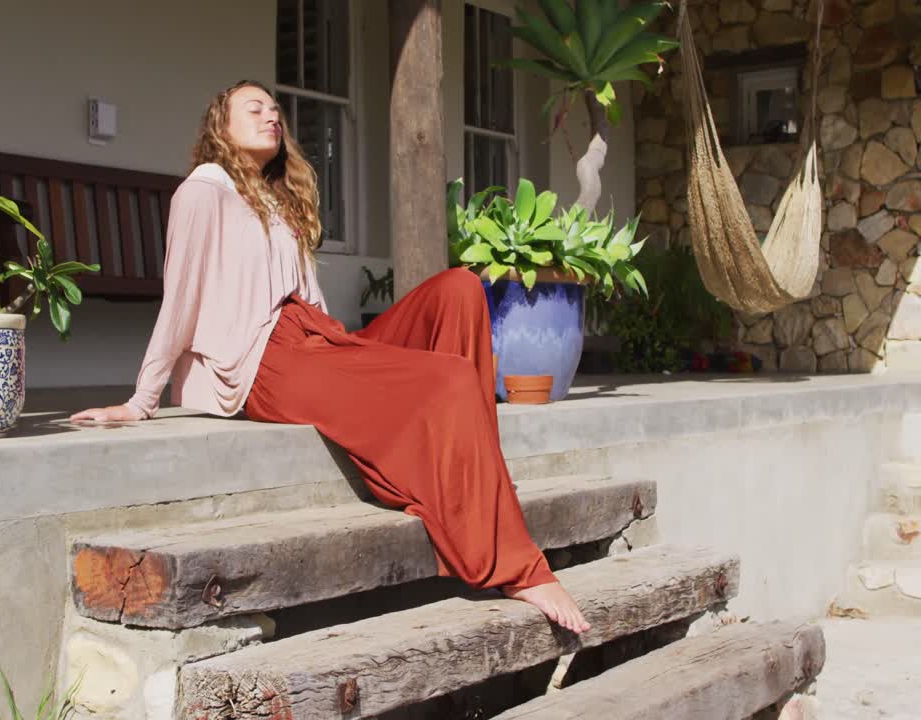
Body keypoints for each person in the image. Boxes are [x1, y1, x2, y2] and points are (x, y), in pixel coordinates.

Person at [71, 81, 590, 634]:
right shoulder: (206, 187)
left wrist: (350, 355)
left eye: (275, 110)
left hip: (316, 340)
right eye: (254, 109)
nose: (272, 116)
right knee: (451, 378)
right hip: (265, 359)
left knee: (461, 289)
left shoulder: (275, 198)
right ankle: (517, 566)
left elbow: (311, 304)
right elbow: (181, 296)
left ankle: (466, 491)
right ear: (220, 126)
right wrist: (142, 399)